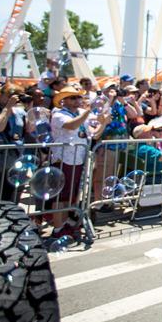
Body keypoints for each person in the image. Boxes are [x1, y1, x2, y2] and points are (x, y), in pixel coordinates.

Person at [50, 86, 96, 237]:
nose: (77, 101)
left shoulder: (82, 113)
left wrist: (104, 121)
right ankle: (58, 228)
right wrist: (88, 112)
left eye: (78, 97)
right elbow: (72, 125)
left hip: (79, 157)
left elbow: (93, 132)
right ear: (63, 100)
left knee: (72, 194)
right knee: (60, 195)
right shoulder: (58, 114)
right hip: (63, 158)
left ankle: (66, 223)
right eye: (72, 98)